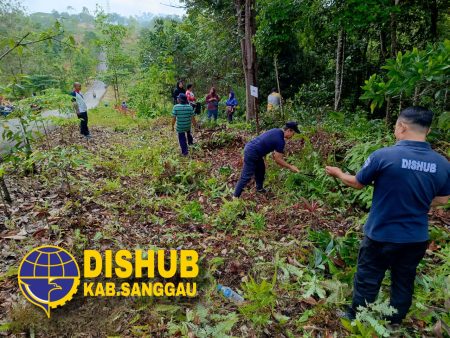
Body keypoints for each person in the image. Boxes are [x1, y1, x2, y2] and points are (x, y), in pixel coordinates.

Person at [325, 106, 450, 325]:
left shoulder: (384, 156)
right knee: (404, 279)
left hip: (381, 234)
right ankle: (394, 321)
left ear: (402, 126)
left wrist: (337, 172)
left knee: (368, 276)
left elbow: (357, 183)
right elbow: (443, 199)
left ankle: (357, 317)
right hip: (415, 238)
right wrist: (418, 201)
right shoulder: (442, 164)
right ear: (427, 131)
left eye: (395, 126)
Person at [234, 122, 301, 198]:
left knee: (261, 169)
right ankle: (235, 197)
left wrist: (264, 159)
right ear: (289, 130)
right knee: (246, 175)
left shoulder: (276, 130)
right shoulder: (280, 141)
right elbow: (278, 159)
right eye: (293, 133)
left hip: (252, 148)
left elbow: (264, 142)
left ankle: (259, 189)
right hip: (252, 152)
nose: (293, 136)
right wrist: (291, 167)